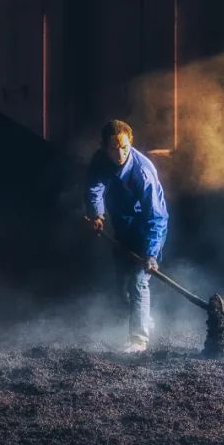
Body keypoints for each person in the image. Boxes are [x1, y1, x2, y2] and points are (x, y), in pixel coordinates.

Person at [86, 119, 169, 353]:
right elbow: (94, 188)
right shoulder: (100, 161)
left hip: (148, 230)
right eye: (114, 148)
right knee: (122, 287)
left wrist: (150, 253)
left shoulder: (143, 171)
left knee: (138, 281)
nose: (120, 153)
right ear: (104, 147)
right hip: (123, 230)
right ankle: (145, 319)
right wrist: (96, 214)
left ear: (130, 143)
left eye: (124, 147)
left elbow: (157, 216)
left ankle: (139, 340)